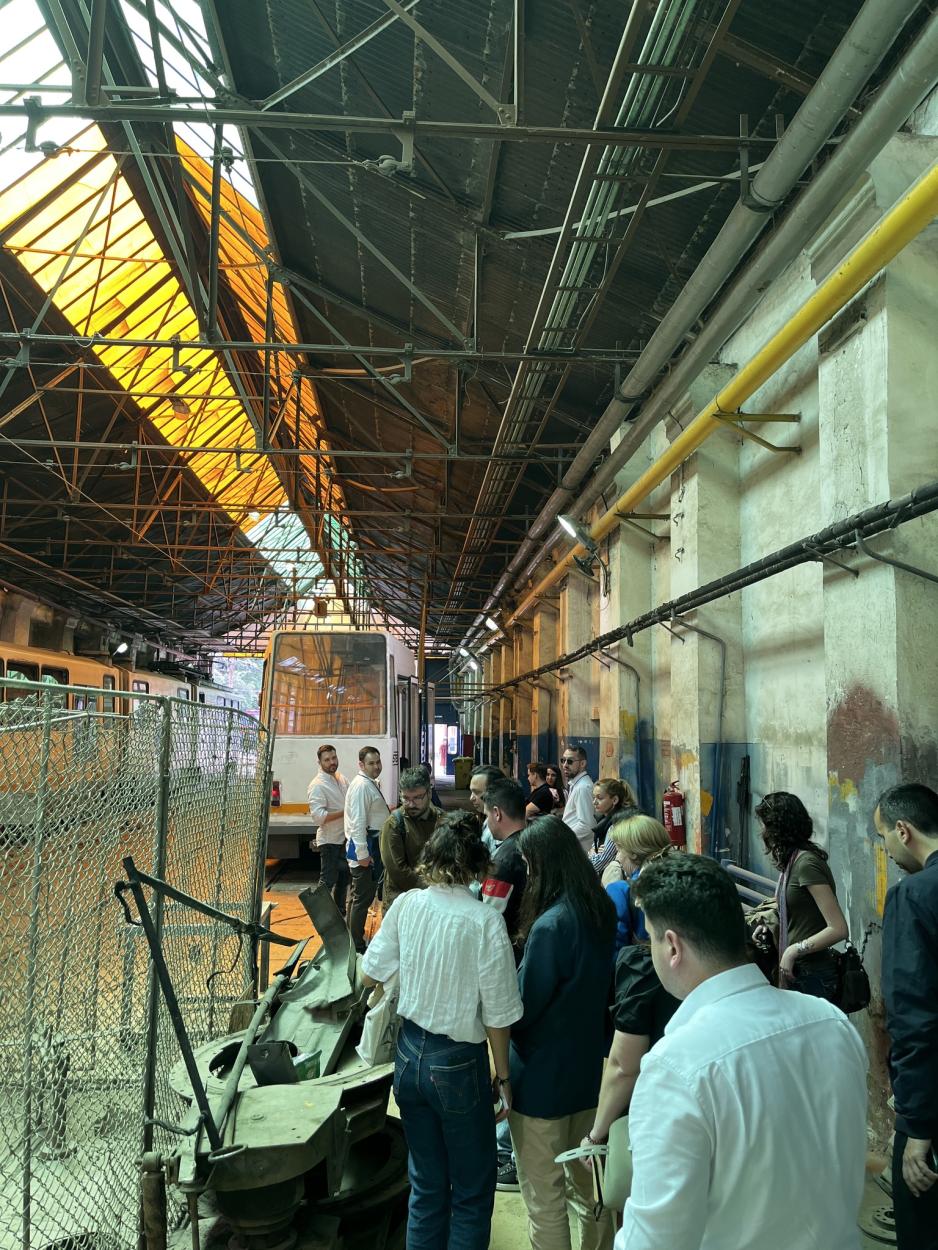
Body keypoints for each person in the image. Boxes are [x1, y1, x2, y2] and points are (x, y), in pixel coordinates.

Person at [615, 854, 867, 1250]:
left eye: (650, 939)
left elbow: (654, 1239)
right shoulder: (832, 1024)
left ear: (672, 947)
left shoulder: (676, 1068)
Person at [362, 812, 523, 1250]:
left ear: (429, 859)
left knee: (427, 1184)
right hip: (456, 1064)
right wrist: (503, 1077)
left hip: (409, 1055)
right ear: (475, 865)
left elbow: (369, 974)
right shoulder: (484, 922)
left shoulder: (406, 906)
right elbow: (498, 1013)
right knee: (470, 1189)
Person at [509, 815, 617, 1250]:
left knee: (545, 1197)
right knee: (592, 1191)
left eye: (530, 865)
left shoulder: (552, 925)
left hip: (540, 1081)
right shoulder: (600, 909)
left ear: (544, 864)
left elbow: (524, 1006)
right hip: (589, 1075)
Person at [875, 783, 938, 1250]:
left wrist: (917, 1127)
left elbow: (915, 1017)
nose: (886, 850)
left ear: (904, 830)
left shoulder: (913, 896)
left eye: (884, 838)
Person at [481, 776, 530, 1193]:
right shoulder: (536, 845)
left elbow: (488, 918)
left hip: (510, 966)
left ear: (497, 813)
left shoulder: (505, 859)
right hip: (533, 958)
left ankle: (505, 1153)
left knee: (506, 1059)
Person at [755, 791, 848, 997]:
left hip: (813, 975)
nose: (763, 832)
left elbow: (839, 928)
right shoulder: (793, 861)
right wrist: (769, 925)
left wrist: (793, 950)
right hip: (801, 971)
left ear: (779, 827)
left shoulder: (806, 864)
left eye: (766, 825)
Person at [344, 745, 390, 953]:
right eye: (371, 763)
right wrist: (363, 855)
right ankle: (357, 945)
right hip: (366, 850)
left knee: (358, 897)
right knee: (362, 900)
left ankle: (353, 939)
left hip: (370, 847)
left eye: (378, 762)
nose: (376, 766)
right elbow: (358, 822)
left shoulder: (369, 783)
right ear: (361, 765)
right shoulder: (362, 786)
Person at [380, 765, 444, 911]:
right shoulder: (394, 823)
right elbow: (398, 871)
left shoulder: (442, 820)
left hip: (434, 902)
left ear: (429, 792)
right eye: (405, 798)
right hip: (401, 902)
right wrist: (432, 890)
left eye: (417, 798)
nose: (410, 804)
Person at [605, 814, 672, 951]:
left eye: (619, 850)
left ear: (633, 853)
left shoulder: (620, 890)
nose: (618, 857)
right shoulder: (683, 876)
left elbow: (612, 952)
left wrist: (607, 892)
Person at [307, 743, 350, 915]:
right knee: (327, 882)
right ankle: (321, 918)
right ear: (320, 762)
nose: (332, 762)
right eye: (327, 760)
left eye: (334, 758)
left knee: (343, 880)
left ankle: (340, 915)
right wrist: (344, 812)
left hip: (344, 839)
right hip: (329, 841)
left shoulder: (341, 778)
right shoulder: (317, 785)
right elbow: (318, 817)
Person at [588, 778, 640, 877]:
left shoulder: (617, 824)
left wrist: (591, 854)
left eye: (599, 798)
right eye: (594, 797)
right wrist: (595, 852)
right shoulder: (604, 820)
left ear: (615, 800)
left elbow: (597, 865)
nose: (594, 802)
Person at [561, 746, 594, 853]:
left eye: (570, 761)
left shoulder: (583, 788)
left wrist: (561, 838)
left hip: (578, 850)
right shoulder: (577, 785)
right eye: (563, 760)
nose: (565, 765)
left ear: (582, 764)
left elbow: (586, 825)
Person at [470, 763, 504, 856]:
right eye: (471, 792)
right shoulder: (487, 819)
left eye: (477, 792)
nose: (471, 798)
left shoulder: (496, 834)